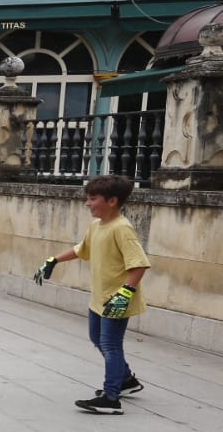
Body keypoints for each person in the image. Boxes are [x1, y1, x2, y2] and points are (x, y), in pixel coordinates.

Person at [32, 174, 150, 415]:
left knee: (110, 344)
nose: (88, 203)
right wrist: (53, 260)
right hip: (99, 297)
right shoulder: (97, 225)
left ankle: (111, 398)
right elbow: (81, 249)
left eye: (93, 198)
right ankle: (126, 380)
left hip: (116, 300)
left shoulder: (122, 229)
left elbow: (139, 264)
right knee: (97, 339)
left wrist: (125, 293)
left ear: (112, 201)